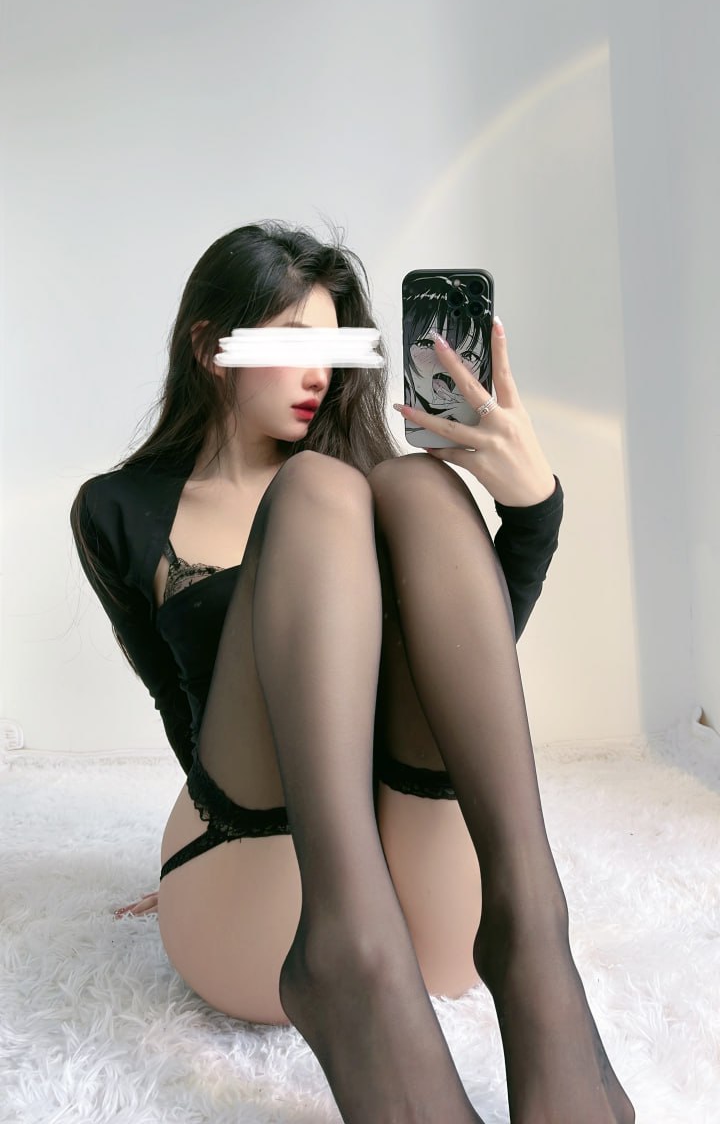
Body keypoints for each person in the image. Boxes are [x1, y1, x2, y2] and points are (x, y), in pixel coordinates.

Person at [70, 221, 634, 1124]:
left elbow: (461, 695)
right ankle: (347, 949)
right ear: (211, 347)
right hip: (263, 877)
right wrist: (195, 846)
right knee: (319, 491)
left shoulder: (379, 486)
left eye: (334, 352)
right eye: (293, 345)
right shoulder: (119, 510)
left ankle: (531, 928)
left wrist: (534, 512)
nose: (320, 376)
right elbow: (183, 708)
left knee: (417, 483)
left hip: (427, 885)